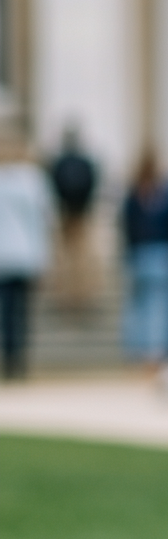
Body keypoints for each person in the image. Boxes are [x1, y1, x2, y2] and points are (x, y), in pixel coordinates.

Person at [0, 135, 53, 379]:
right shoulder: (32, 181)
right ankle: (16, 358)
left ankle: (11, 355)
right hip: (23, 254)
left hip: (7, 254)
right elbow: (42, 220)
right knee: (19, 310)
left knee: (7, 308)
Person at [121, 149, 168, 370]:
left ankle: (139, 350)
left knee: (140, 306)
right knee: (161, 306)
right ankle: (157, 350)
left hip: (140, 253)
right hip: (163, 253)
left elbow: (128, 228)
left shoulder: (134, 195)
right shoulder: (165, 194)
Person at [48, 125, 100, 310]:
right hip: (82, 213)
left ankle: (65, 296)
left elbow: (52, 185)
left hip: (65, 212)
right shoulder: (86, 161)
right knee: (81, 257)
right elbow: (94, 183)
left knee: (64, 257)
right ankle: (82, 294)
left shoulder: (58, 161)